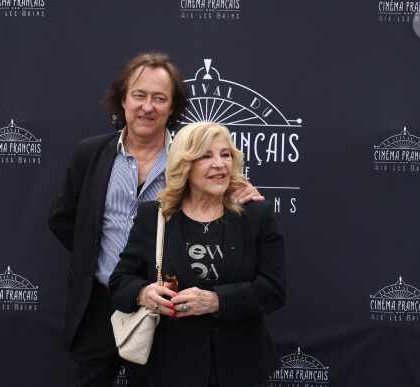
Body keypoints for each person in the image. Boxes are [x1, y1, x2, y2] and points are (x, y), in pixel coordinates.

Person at [48, 53, 264, 387]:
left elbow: (223, 195)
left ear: (172, 107)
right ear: (123, 100)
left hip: (164, 313)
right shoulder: (89, 153)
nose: (147, 107)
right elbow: (63, 218)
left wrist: (242, 191)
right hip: (98, 305)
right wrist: (93, 256)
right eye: (139, 95)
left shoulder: (191, 160)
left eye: (159, 98)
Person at [109, 122, 286, 387]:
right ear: (185, 165)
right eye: (206, 155)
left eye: (225, 154)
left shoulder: (255, 217)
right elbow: (120, 281)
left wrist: (216, 301)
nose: (219, 164)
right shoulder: (154, 216)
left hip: (239, 368)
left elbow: (273, 290)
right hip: (168, 370)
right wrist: (143, 293)